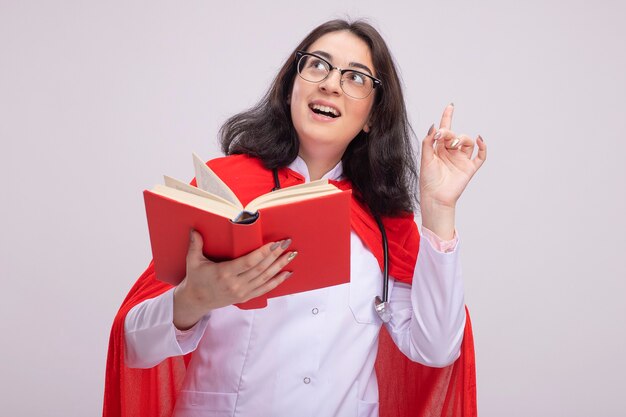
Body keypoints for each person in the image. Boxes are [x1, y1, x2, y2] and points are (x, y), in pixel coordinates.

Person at [104, 19, 486, 417]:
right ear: (291, 87)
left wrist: (439, 208)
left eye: (355, 77)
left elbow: (437, 349)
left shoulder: (385, 224)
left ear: (372, 115)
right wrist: (194, 299)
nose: (331, 84)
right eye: (318, 65)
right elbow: (133, 343)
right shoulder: (224, 189)